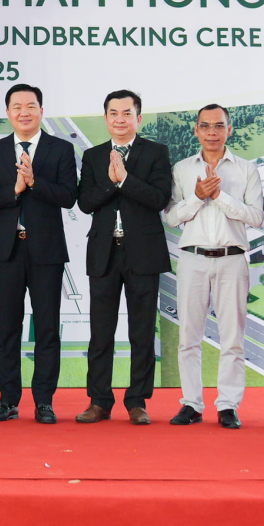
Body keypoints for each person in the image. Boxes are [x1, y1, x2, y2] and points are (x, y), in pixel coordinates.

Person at [0, 83, 79, 424]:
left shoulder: (60, 149)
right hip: (6, 250)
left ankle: (44, 401)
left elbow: (69, 196)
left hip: (46, 250)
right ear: (8, 112)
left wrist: (35, 183)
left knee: (47, 327)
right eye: (17, 106)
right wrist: (15, 190)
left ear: (41, 111)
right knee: (7, 327)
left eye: (31, 106)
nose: (24, 112)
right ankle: (7, 399)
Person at [74, 90, 172, 424]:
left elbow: (159, 199)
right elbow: (85, 202)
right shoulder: (93, 155)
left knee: (141, 332)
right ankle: (99, 401)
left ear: (138, 118)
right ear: (105, 118)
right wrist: (110, 183)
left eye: (127, 113)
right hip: (104, 253)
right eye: (113, 113)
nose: (120, 119)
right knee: (101, 332)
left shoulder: (156, 152)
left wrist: (126, 180)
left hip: (143, 252)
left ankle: (137, 401)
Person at [163, 103, 263, 428]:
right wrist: (197, 196)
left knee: (232, 337)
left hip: (232, 259)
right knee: (188, 336)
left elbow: (256, 217)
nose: (212, 132)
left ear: (229, 130)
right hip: (192, 259)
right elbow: (171, 217)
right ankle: (191, 403)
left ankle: (228, 405)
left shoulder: (246, 169)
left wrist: (220, 197)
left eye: (219, 125)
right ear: (196, 130)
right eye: (205, 126)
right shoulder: (182, 169)